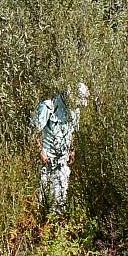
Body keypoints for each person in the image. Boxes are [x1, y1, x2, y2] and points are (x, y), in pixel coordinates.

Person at [34, 82, 87, 215]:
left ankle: (56, 226)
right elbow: (34, 132)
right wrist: (41, 152)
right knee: (42, 200)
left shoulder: (75, 110)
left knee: (60, 201)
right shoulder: (48, 106)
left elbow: (73, 132)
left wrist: (72, 150)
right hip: (46, 162)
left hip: (63, 163)